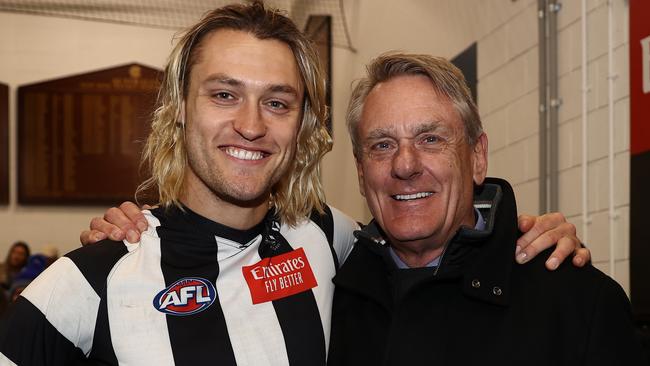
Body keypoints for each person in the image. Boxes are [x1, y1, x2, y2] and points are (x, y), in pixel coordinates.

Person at [1, 2, 585, 365]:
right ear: (179, 107)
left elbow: (436, 239)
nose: (251, 126)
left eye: (276, 102)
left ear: (302, 125)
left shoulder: (330, 240)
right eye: (224, 94)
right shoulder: (92, 279)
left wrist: (522, 235)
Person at [326, 53, 648, 365]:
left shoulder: (578, 303)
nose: (405, 165)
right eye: (382, 145)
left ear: (477, 157)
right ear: (360, 172)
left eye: (431, 139)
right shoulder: (331, 300)